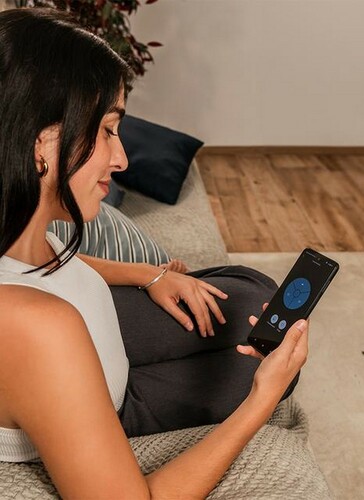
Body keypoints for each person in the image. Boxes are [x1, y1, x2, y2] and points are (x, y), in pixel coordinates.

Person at [0, 7, 308, 498]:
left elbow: (41, 268)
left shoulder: (18, 230)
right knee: (266, 364)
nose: (121, 158)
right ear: (42, 142)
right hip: (110, 399)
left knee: (253, 296)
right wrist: (260, 403)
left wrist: (150, 275)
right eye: (107, 130)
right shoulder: (35, 327)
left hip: (97, 329)